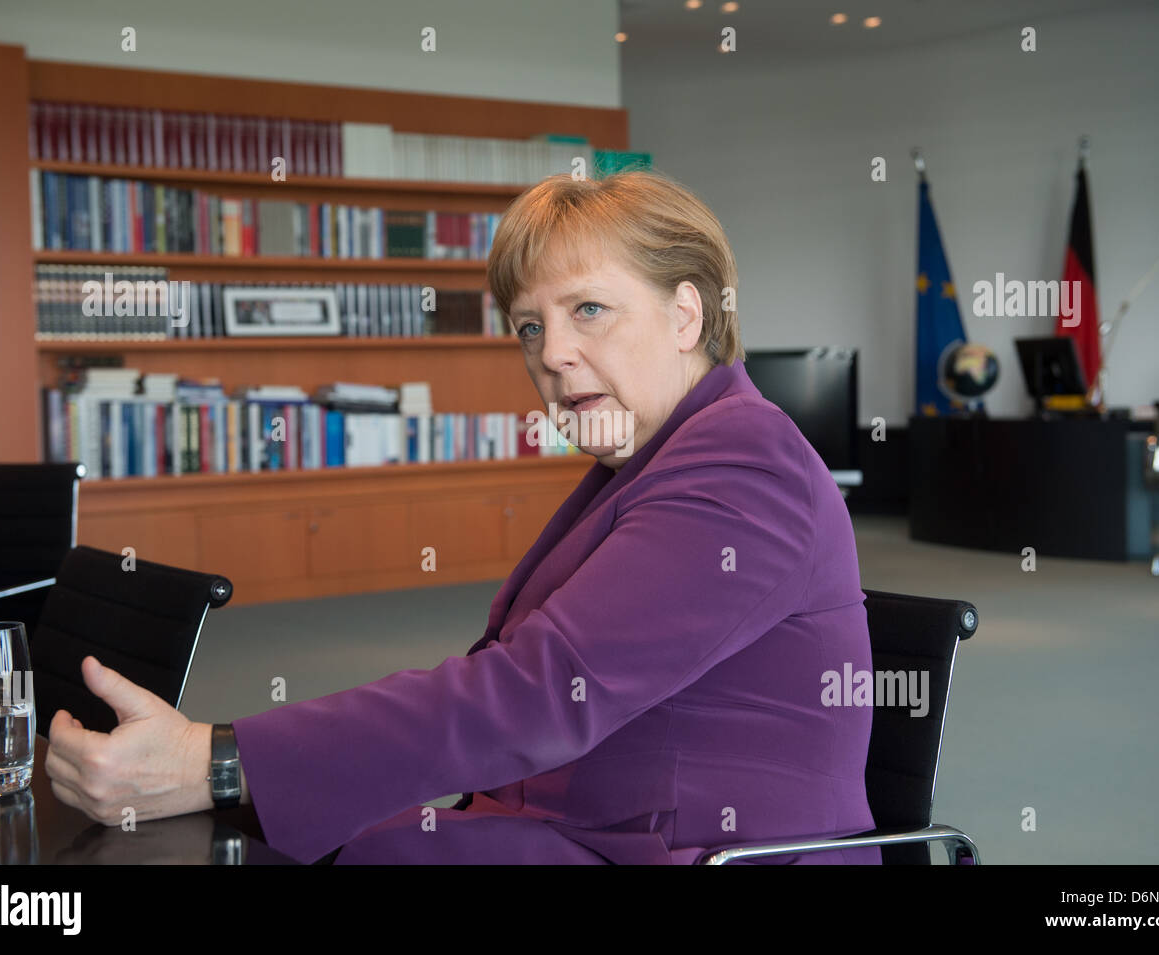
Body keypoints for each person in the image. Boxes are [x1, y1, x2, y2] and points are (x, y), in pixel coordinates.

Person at [46, 169, 880, 865]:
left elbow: (541, 691)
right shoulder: (652, 457)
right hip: (585, 826)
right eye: (529, 326)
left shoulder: (744, 462)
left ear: (686, 314)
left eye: (588, 310)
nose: (550, 353)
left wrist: (220, 760)